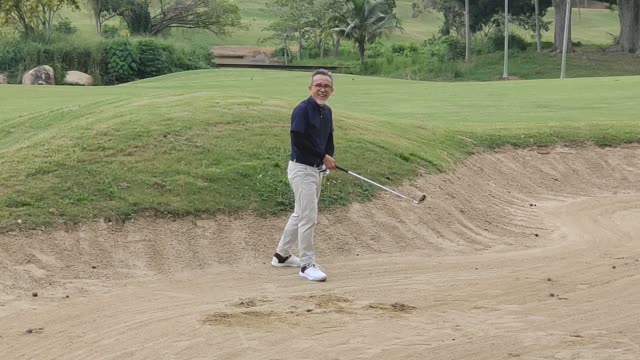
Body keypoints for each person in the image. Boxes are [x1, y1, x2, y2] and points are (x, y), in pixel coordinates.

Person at [271, 69, 337, 282]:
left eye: (326, 86)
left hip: (316, 169)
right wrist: (322, 156)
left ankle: (282, 255)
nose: (322, 89)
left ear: (332, 90)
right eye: (318, 85)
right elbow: (298, 140)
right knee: (309, 216)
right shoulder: (302, 110)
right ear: (310, 88)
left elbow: (328, 139)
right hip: (301, 169)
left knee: (300, 213)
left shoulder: (326, 112)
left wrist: (328, 158)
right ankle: (307, 265)